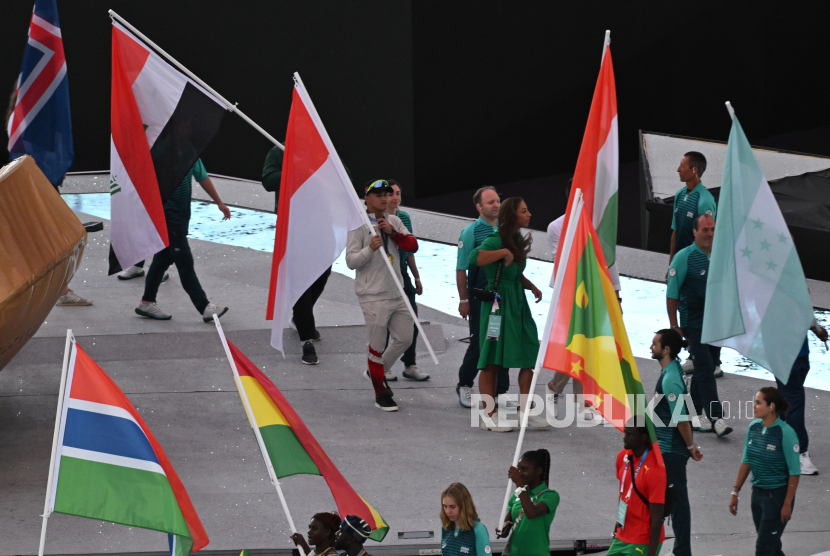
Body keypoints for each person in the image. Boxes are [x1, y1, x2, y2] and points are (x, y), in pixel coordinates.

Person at [545, 181, 620, 422]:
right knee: (574, 346)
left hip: (597, 296)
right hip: (570, 295)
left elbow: (610, 260)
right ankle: (555, 389)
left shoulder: (601, 224)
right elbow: (565, 263)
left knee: (591, 347)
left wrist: (616, 295)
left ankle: (583, 401)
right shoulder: (557, 227)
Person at [470, 197, 546, 431]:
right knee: (491, 360)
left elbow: (512, 272)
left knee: (528, 353)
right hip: (497, 307)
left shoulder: (516, 238)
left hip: (517, 302)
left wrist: (529, 284)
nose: (529, 214)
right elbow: (476, 258)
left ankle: (526, 410)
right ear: (513, 215)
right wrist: (502, 251)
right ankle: (488, 415)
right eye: (524, 211)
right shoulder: (495, 239)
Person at [346, 180, 420, 412]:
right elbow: (350, 261)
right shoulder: (357, 225)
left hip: (396, 292)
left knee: (405, 339)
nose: (384, 198)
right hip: (372, 295)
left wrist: (393, 233)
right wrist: (370, 248)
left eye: (385, 194)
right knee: (377, 346)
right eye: (378, 195)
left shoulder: (394, 221)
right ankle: (381, 392)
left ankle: (375, 371)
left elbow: (413, 245)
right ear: (366, 199)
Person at [134, 159, 230, 322]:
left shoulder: (191, 153)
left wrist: (219, 202)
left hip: (182, 216)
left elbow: (202, 177)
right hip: (168, 217)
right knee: (185, 263)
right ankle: (204, 306)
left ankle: (147, 302)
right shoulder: (160, 154)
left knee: (162, 260)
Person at [261, 145, 331, 365]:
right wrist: (295, 169)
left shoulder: (322, 150)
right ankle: (306, 340)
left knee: (322, 274)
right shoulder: (278, 152)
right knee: (301, 281)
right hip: (293, 225)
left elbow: (343, 175)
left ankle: (300, 319)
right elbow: (268, 181)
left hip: (321, 223)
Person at [666, 214, 731, 437]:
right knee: (704, 367)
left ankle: (690, 415)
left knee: (708, 365)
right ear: (694, 232)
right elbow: (672, 295)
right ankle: (717, 418)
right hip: (692, 324)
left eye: (713, 229)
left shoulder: (722, 255)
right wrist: (675, 326)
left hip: (717, 323)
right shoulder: (684, 258)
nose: (710, 234)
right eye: (705, 230)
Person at [455, 186, 510, 408]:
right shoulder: (470, 233)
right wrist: (464, 300)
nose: (496, 205)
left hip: (501, 299)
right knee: (479, 342)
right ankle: (464, 384)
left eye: (498, 200)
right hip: (480, 300)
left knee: (499, 341)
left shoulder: (506, 229)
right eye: (490, 202)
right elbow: (461, 269)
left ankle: (500, 391)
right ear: (479, 207)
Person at [729, 387, 801, 556]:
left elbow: (794, 472)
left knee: (763, 548)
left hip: (777, 497)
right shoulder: (753, 428)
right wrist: (735, 492)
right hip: (758, 495)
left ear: (771, 406)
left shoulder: (786, 433)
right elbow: (746, 462)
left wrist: (787, 504)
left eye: (758, 402)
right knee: (772, 546)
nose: (754, 406)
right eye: (755, 401)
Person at [650, 328, 703, 556]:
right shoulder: (674, 371)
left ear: (666, 350)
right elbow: (686, 406)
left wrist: (690, 446)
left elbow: (681, 419)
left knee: (678, 504)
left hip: (671, 451)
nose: (651, 347)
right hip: (668, 448)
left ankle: (682, 552)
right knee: (670, 501)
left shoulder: (671, 377)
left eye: (654, 344)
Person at [669, 151, 719, 376]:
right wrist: (671, 262)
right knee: (686, 307)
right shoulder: (680, 195)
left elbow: (710, 235)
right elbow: (675, 231)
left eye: (682, 166)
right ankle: (695, 354)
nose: (678, 169)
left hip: (699, 263)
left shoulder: (705, 199)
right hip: (682, 262)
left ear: (694, 170)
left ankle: (713, 362)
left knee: (704, 309)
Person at [385, 179, 428, 381]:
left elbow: (409, 248)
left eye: (398, 193)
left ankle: (410, 364)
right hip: (383, 274)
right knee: (384, 322)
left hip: (402, 272)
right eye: (391, 193)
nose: (396, 197)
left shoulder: (404, 218)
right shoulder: (377, 219)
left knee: (412, 319)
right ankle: (383, 365)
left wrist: (416, 276)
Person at [776, 320, 827, 476]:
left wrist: (815, 328)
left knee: (788, 399)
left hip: (800, 353)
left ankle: (771, 433)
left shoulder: (797, 294)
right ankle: (798, 452)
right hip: (783, 354)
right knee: (794, 400)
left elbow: (803, 308)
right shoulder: (771, 296)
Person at [609, 423, 666, 556]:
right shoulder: (623, 456)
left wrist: (651, 554)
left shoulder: (655, 470)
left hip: (642, 541)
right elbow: (625, 495)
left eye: (630, 434)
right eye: (625, 433)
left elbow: (657, 517)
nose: (625, 438)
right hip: (622, 536)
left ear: (643, 437)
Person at [496, 449, 559, 556]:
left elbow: (531, 513)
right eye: (519, 469)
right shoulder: (516, 495)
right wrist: (502, 529)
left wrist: (519, 484)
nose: (520, 474)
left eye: (524, 469)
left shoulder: (550, 496)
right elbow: (507, 525)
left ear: (538, 471)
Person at [440, 483, 491, 556]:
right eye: (445, 506)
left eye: (452, 507)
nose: (448, 511)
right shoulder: (446, 528)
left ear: (464, 506)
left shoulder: (478, 530)